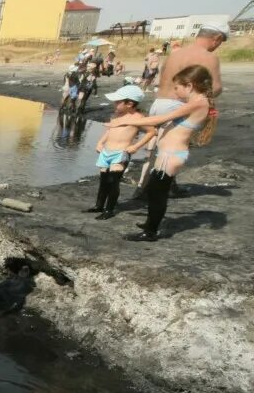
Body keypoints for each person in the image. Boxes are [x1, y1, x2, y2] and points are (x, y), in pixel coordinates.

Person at [109, 65, 217, 242]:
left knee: (157, 193)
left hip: (171, 155)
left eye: (177, 87)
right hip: (169, 153)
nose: (175, 92)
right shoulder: (199, 102)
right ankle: (151, 222)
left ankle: (150, 232)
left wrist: (125, 122)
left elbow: (161, 119)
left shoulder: (198, 103)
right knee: (154, 190)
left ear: (189, 85)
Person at [135, 23, 227, 198]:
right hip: (178, 105)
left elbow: (162, 79)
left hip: (158, 103)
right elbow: (215, 87)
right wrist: (202, 103)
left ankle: (148, 186)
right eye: (220, 42)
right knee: (173, 147)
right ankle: (154, 188)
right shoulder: (208, 57)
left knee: (156, 147)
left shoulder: (175, 54)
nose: (218, 46)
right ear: (216, 38)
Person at [83, 85, 154, 220]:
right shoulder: (115, 115)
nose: (114, 104)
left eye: (117, 102)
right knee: (103, 180)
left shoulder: (138, 118)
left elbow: (152, 132)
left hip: (121, 153)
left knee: (113, 181)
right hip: (106, 151)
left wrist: (136, 146)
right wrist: (100, 142)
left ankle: (109, 210)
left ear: (130, 104)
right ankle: (99, 205)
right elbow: (110, 130)